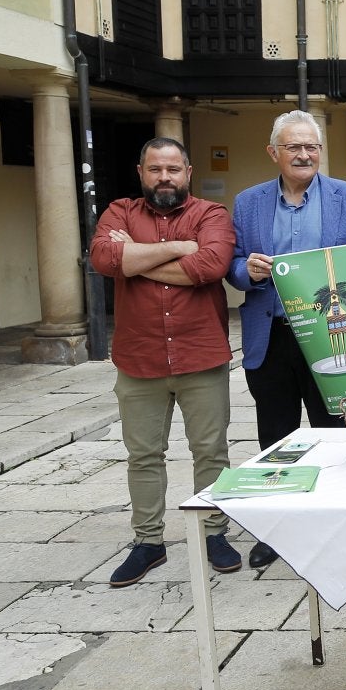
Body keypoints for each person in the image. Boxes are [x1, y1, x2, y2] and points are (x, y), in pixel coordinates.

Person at [227, 110, 346, 569]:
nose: (304, 154)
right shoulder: (249, 203)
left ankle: (336, 523)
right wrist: (247, 272)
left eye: (311, 146)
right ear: (274, 152)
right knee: (276, 435)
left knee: (336, 433)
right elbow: (231, 265)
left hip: (333, 337)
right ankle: (278, 528)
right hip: (271, 335)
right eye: (293, 146)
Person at [90, 137, 240, 586]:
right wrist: (180, 248)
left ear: (188, 172)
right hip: (139, 359)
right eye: (155, 169)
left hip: (200, 354)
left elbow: (211, 266)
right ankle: (148, 542)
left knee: (211, 451)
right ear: (141, 172)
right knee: (143, 455)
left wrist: (133, 260)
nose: (164, 178)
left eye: (173, 169)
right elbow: (103, 257)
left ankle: (215, 532)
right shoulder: (119, 212)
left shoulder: (211, 214)